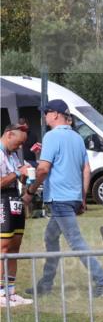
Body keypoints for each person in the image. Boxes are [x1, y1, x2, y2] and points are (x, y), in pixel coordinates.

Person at [24, 100, 103, 299]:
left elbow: (44, 169)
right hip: (71, 197)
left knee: (76, 242)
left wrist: (30, 190)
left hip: (59, 198)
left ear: (55, 114)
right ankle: (46, 284)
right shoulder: (76, 137)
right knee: (50, 237)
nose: (44, 117)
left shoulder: (52, 137)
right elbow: (86, 169)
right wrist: (82, 197)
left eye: (46, 113)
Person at [1, 124, 31, 307]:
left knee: (15, 245)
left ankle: (10, 291)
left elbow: (18, 177)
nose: (20, 147)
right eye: (19, 143)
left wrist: (25, 176)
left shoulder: (12, 154)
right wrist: (16, 174)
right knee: (3, 247)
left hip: (14, 198)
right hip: (1, 200)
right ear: (9, 134)